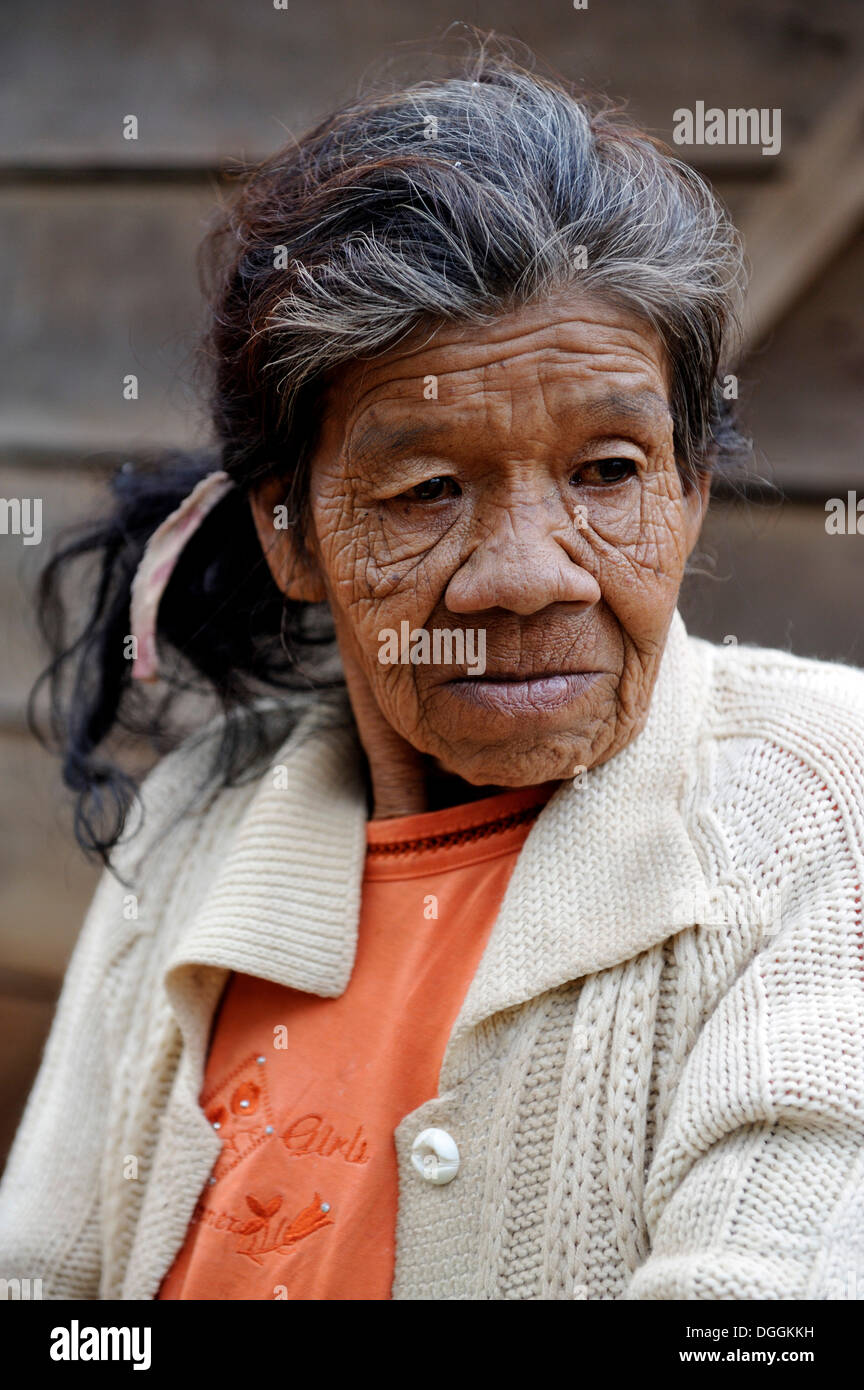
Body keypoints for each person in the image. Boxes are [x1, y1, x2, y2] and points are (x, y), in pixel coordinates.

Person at [1, 41, 863, 1301]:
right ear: (290, 535)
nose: (526, 573)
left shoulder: (823, 810)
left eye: (608, 472)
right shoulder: (197, 825)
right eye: (425, 489)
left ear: (687, 496)